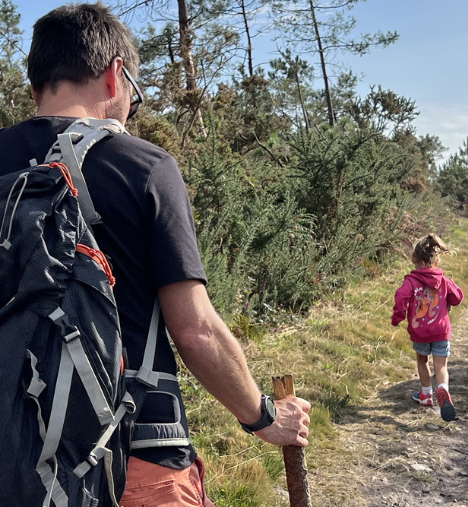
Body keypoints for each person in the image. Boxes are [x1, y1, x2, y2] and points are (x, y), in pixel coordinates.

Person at [0, 4, 311, 505]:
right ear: (114, 75)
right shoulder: (145, 167)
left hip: (11, 457)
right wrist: (263, 415)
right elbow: (194, 330)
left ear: (34, 81)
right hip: (132, 453)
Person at [391, 234, 464, 422]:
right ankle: (443, 389)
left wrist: (397, 317)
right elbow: (457, 298)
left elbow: (401, 298)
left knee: (422, 361)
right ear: (437, 260)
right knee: (441, 365)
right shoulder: (444, 281)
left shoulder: (411, 282)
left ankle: (425, 394)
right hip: (441, 330)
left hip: (420, 331)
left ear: (413, 258)